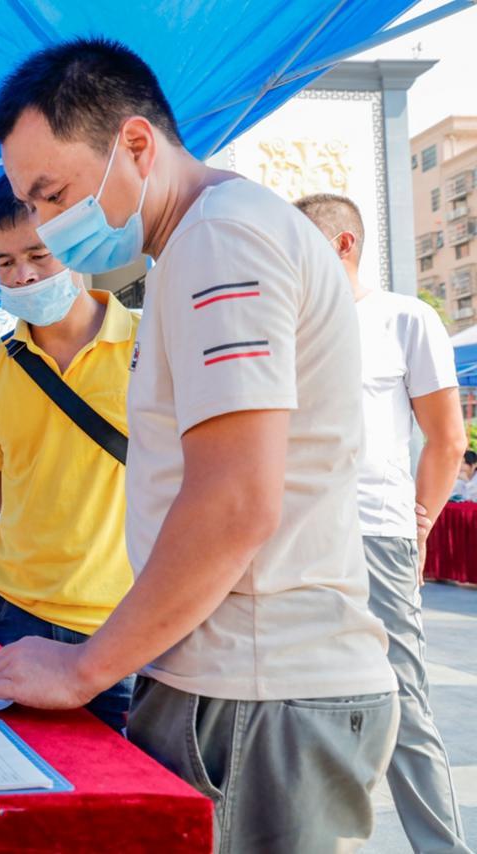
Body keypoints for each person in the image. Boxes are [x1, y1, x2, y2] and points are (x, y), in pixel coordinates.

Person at [0, 39, 399, 851]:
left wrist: (86, 667)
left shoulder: (218, 242)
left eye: (53, 196)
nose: (50, 225)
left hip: (254, 693)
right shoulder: (212, 239)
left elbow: (234, 501)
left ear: (134, 144)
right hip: (245, 686)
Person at [297, 192, 470, 853]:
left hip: (375, 532)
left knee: (403, 702)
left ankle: (440, 846)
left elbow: (446, 439)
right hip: (295, 539)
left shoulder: (405, 320)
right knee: (306, 702)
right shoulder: (289, 321)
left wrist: (418, 527)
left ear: (344, 245)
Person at [0, 176, 138, 732]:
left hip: (129, 624)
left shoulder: (152, 342)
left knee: (133, 799)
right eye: (5, 262)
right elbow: (0, 485)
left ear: (74, 245)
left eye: (39, 254)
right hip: (18, 618)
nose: (25, 275)